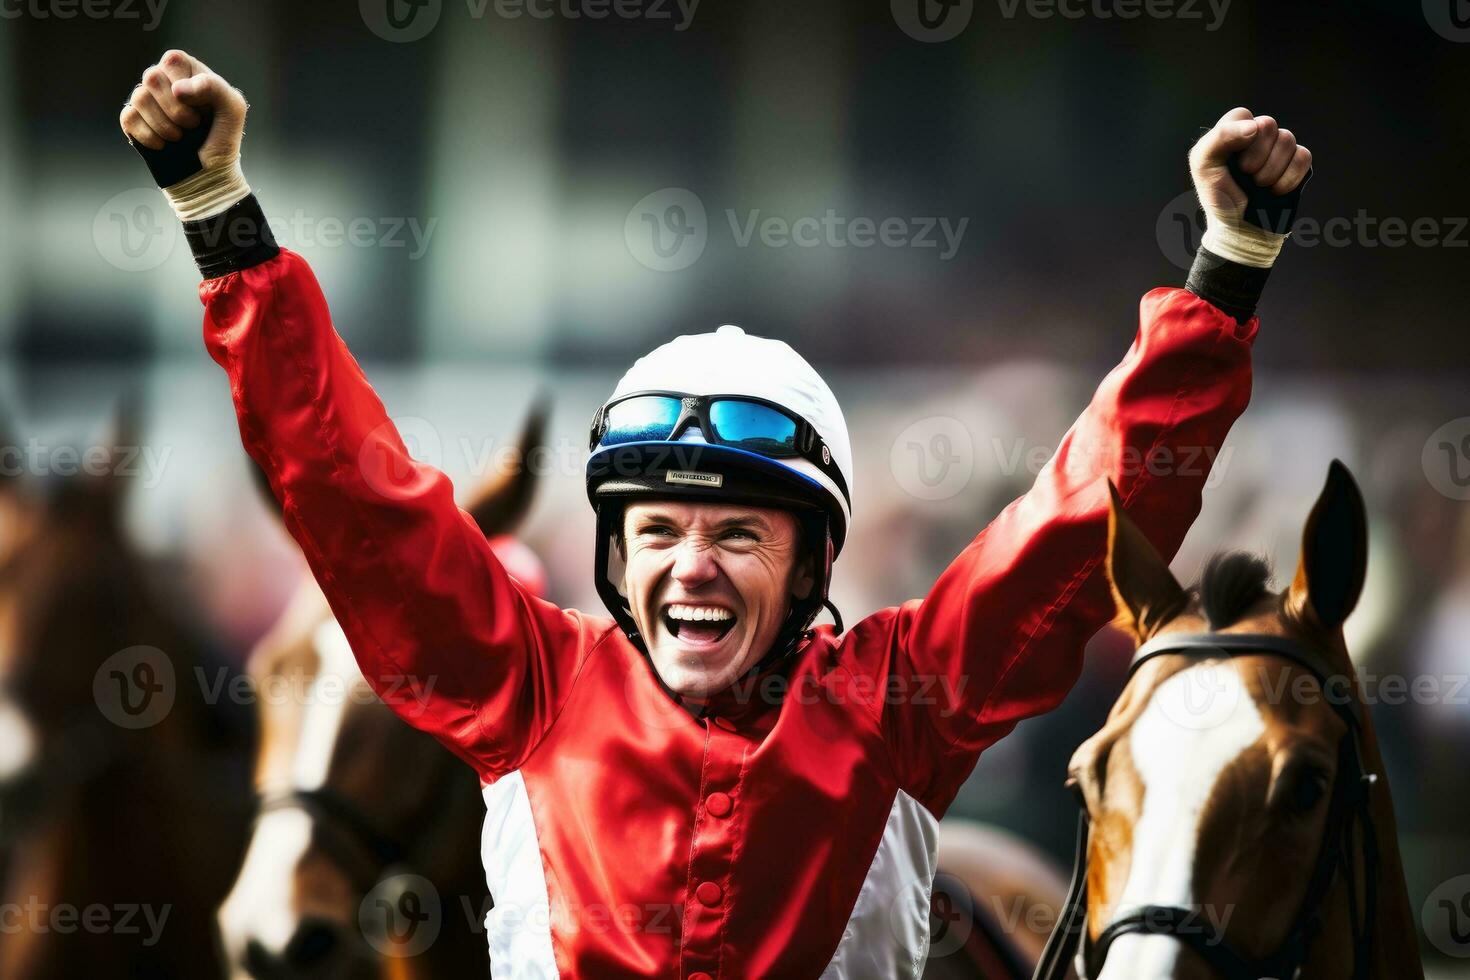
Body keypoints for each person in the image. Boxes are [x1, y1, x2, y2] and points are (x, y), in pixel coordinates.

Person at [120, 49, 1311, 978]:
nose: (691, 566)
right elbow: (349, 491)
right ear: (615, 554)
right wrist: (221, 212)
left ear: (810, 566)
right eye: (657, 531)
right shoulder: (525, 685)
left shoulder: (903, 702)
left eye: (738, 532)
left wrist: (1228, 263)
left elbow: (1082, 519)